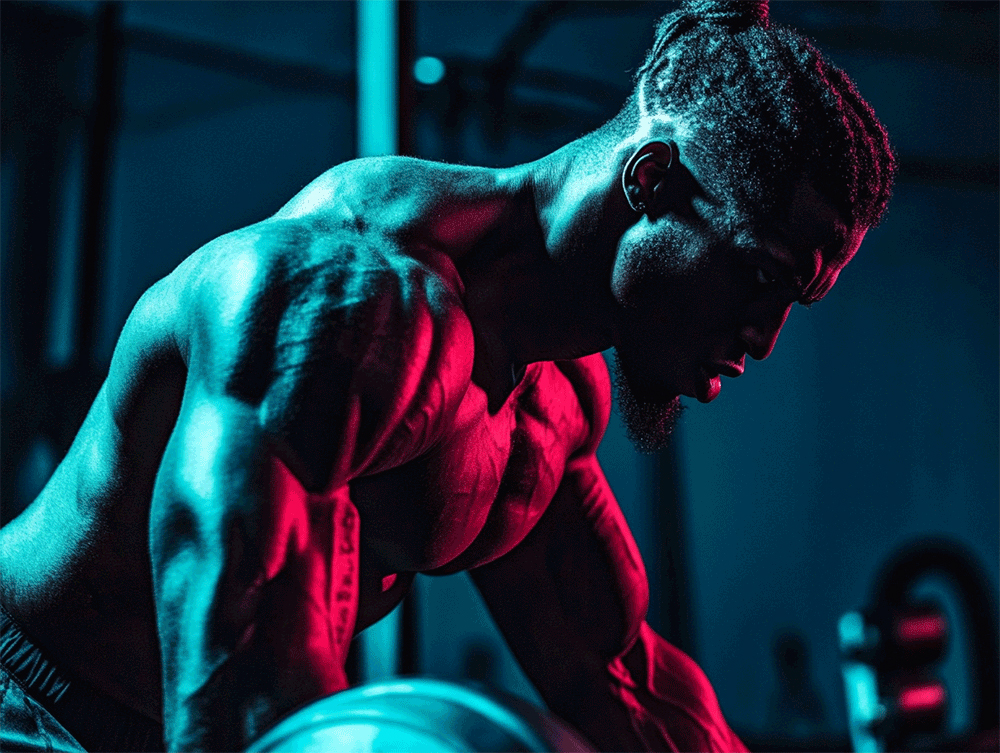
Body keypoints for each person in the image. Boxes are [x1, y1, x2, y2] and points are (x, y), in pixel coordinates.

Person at [0, 1, 895, 750]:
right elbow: (240, 688)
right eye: (760, 275)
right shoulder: (339, 307)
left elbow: (619, 681)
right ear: (653, 178)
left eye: (794, 303)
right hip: (32, 701)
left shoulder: (550, 402)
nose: (767, 337)